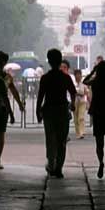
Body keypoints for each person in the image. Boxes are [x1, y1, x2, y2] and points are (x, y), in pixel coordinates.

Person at [36, 48, 77, 178]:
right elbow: (73, 92)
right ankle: (58, 168)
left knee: (50, 139)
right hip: (62, 112)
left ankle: (51, 163)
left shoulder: (45, 78)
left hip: (48, 112)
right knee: (61, 141)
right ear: (60, 61)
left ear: (49, 61)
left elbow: (40, 96)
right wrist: (72, 104)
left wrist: (38, 111)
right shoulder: (65, 78)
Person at [0, 51, 25, 170]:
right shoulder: (4, 77)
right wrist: (17, 107)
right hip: (0, 109)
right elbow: (11, 93)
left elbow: (13, 91)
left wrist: (19, 104)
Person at [73, 69, 90, 139]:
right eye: (77, 75)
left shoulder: (83, 84)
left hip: (82, 102)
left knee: (81, 118)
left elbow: (87, 92)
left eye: (79, 75)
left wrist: (89, 101)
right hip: (74, 102)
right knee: (76, 119)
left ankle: (81, 132)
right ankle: (77, 133)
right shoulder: (72, 83)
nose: (78, 76)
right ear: (75, 76)